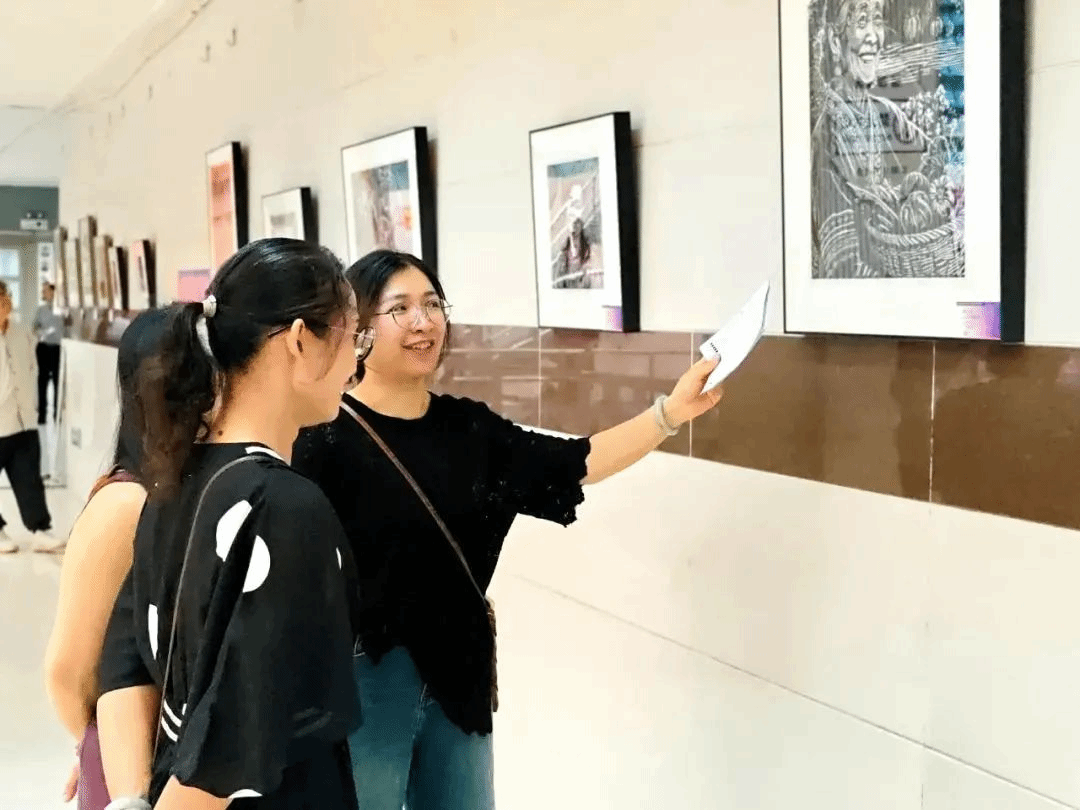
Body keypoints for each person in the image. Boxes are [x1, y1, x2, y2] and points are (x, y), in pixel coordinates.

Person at [292, 249, 724, 810]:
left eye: (432, 305)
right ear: (361, 330)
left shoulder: (470, 430)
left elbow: (576, 462)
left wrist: (669, 414)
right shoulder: (323, 437)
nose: (423, 322)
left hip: (460, 672)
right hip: (366, 678)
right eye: (400, 309)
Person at [94, 238, 373, 809]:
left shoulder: (172, 483)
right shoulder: (285, 507)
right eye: (353, 338)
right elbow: (228, 748)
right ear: (300, 340)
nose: (356, 364)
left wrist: (130, 800)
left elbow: (123, 666)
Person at [43, 308, 170, 810]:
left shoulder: (198, 490)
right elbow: (67, 672)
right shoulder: (125, 504)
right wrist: (103, 746)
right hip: (134, 775)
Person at [0, 279, 59, 554]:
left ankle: (39, 530)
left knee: (30, 479)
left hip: (24, 421)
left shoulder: (22, 333)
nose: (4, 304)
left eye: (5, 298)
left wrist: (32, 407)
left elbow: (32, 369)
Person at [33, 281, 63, 423]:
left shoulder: (62, 310)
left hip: (57, 348)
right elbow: (34, 327)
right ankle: (42, 414)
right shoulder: (41, 310)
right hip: (43, 347)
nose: (43, 293)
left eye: (45, 290)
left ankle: (57, 413)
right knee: (42, 380)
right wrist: (42, 332)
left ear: (53, 292)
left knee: (57, 380)